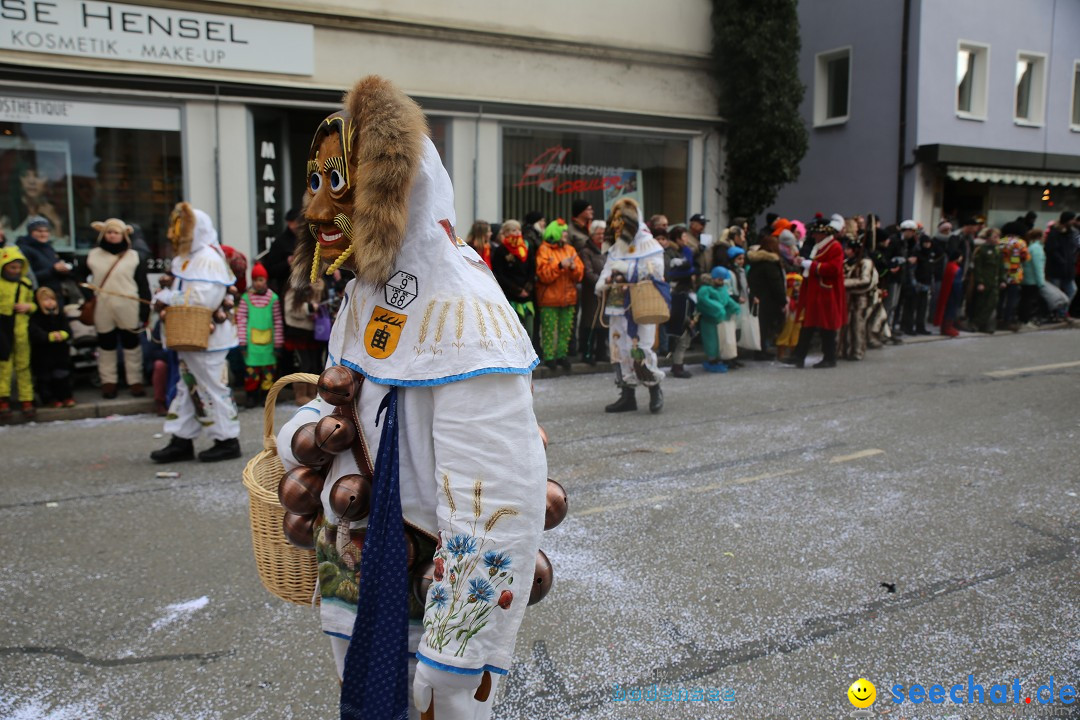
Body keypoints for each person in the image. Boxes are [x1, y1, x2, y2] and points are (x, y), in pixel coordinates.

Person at [272, 77, 545, 720]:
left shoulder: (467, 311)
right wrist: (304, 439)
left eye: (339, 188)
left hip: (431, 600)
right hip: (357, 577)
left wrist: (455, 654)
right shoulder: (363, 296)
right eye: (317, 185)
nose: (317, 212)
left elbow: (496, 498)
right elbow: (336, 401)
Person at [150, 202, 241, 463]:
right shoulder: (188, 258)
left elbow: (204, 299)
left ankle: (227, 439)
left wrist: (170, 297)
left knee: (211, 387)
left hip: (207, 338)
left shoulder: (208, 259)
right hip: (189, 336)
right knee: (187, 387)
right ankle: (181, 438)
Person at [595, 197, 666, 413]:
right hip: (617, 303)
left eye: (620, 220)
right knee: (619, 348)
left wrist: (628, 271)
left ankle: (655, 390)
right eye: (614, 220)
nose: (616, 225)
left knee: (640, 348)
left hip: (640, 304)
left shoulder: (650, 244)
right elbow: (608, 268)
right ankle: (627, 395)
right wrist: (603, 282)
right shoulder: (618, 246)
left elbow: (657, 273)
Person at [85, 218, 151, 398]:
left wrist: (145, 309)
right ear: (103, 234)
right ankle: (108, 381)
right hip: (103, 305)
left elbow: (142, 284)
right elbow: (80, 278)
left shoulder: (134, 256)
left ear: (124, 235)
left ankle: (135, 381)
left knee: (132, 344)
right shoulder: (92, 255)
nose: (112, 236)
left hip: (128, 305)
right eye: (109, 232)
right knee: (106, 345)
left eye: (116, 233)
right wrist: (88, 296)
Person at [781, 215, 846, 369]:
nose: (813, 235)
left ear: (823, 233)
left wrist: (811, 265)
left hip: (826, 292)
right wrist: (803, 263)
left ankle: (829, 357)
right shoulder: (821, 246)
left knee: (826, 325)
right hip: (814, 291)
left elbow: (834, 269)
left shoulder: (834, 247)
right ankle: (799, 356)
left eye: (816, 233)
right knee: (808, 323)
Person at [535, 219, 583, 371]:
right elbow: (543, 274)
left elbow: (580, 274)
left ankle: (562, 356)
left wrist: (574, 268)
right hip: (549, 298)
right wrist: (560, 265)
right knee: (548, 331)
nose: (566, 234)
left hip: (568, 298)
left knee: (566, 330)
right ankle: (549, 357)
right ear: (554, 232)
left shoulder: (570, 249)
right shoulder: (544, 249)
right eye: (563, 232)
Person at [236, 262, 284, 408]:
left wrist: (278, 344)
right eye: (255, 280)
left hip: (269, 346)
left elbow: (277, 321)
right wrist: (242, 342)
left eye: (261, 280)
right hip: (251, 346)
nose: (258, 283)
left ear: (266, 280)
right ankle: (251, 397)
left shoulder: (273, 298)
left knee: (268, 373)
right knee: (251, 373)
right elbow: (241, 320)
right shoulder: (246, 298)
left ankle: (266, 397)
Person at [0, 245, 36, 421]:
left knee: (23, 365)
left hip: (21, 328)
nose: (15, 271)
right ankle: (3, 399)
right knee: (3, 366)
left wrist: (29, 307)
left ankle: (26, 399)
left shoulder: (25, 284)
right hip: (3, 328)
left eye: (18, 268)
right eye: (11, 267)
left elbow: (34, 303)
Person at [29, 287, 75, 408]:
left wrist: (63, 334)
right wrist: (49, 337)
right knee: (45, 377)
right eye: (45, 300)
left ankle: (65, 396)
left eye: (52, 299)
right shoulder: (36, 316)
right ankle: (49, 398)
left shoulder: (60, 315)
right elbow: (35, 333)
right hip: (43, 353)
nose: (50, 302)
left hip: (60, 352)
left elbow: (68, 330)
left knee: (62, 375)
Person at [490, 219, 536, 341]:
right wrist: (517, 290)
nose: (517, 233)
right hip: (511, 295)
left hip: (527, 295)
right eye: (513, 230)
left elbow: (532, 268)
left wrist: (527, 287)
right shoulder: (501, 250)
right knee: (514, 330)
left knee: (529, 330)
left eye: (519, 230)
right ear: (505, 233)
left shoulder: (527, 247)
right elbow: (499, 274)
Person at [283, 278, 326, 405]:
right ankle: (301, 394)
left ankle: (312, 393)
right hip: (297, 331)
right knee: (303, 364)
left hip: (313, 332)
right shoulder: (295, 287)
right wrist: (309, 308)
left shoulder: (318, 287)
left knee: (314, 364)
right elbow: (290, 309)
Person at [746, 234, 787, 360]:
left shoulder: (756, 260)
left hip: (758, 296)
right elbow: (776, 283)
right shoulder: (770, 263)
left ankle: (760, 350)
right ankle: (761, 351)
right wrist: (783, 300)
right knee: (765, 326)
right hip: (768, 299)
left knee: (760, 325)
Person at [17, 216, 73, 303]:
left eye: (47, 231)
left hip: (55, 297)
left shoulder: (48, 247)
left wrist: (63, 271)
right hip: (38, 298)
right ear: (30, 232)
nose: (44, 234)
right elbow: (28, 278)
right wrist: (53, 270)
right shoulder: (24, 250)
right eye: (39, 231)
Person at [837, 239, 877, 361]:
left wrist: (845, 283)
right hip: (846, 298)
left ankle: (857, 351)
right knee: (845, 325)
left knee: (857, 324)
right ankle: (844, 350)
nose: (846, 251)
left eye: (848, 249)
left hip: (860, 299)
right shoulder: (846, 262)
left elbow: (866, 281)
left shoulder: (866, 263)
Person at [666, 225, 697, 379]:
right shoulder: (671, 253)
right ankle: (677, 365)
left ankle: (677, 364)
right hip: (678, 296)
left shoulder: (684, 251)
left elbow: (690, 266)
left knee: (683, 332)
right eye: (683, 237)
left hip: (683, 294)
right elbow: (671, 272)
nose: (686, 239)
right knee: (682, 332)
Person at [696, 266, 741, 373]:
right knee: (711, 342)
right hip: (709, 320)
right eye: (719, 279)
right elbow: (705, 301)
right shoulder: (705, 289)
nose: (721, 282)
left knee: (720, 341)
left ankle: (719, 359)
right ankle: (712, 361)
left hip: (719, 320)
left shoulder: (722, 288)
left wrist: (735, 307)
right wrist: (719, 309)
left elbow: (727, 300)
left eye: (722, 280)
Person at [578, 219, 608, 365]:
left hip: (606, 292)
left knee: (603, 322)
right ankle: (587, 353)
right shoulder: (586, 251)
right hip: (591, 293)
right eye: (599, 233)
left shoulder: (607, 249)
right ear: (592, 234)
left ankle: (601, 352)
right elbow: (587, 272)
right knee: (590, 321)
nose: (602, 236)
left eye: (603, 233)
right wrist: (601, 282)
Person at [969, 227, 1006, 334]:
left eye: (998, 237)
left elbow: (1001, 267)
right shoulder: (982, 250)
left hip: (994, 281)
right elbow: (978, 267)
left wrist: (1002, 279)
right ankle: (978, 324)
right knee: (981, 304)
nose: (996, 239)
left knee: (992, 303)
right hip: (985, 280)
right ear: (988, 238)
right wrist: (979, 282)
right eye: (994, 237)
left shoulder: (998, 250)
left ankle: (978, 323)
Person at [998, 223, 1030, 332]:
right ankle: (1008, 321)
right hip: (1014, 274)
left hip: (1001, 274)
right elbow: (1025, 257)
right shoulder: (1020, 243)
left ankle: (998, 319)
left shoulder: (1001, 241)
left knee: (1000, 298)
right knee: (1011, 300)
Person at [1044, 211, 1078, 313]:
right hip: (1057, 268)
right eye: (1071, 219)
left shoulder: (1071, 233)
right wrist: (1062, 261)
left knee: (1072, 290)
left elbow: (1073, 247)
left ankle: (1062, 312)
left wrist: (1072, 260)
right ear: (1066, 220)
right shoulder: (1054, 233)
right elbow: (1051, 250)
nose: (1073, 221)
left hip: (1068, 268)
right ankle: (1056, 313)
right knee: (1056, 293)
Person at [263, 208, 302, 295]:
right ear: (290, 223)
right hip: (287, 289)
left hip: (306, 288)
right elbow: (270, 270)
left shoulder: (306, 240)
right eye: (299, 222)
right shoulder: (280, 243)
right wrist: (287, 263)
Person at [933, 250, 963, 337]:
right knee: (951, 310)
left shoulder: (949, 266)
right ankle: (948, 327)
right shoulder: (956, 268)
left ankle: (944, 327)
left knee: (945, 309)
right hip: (953, 293)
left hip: (946, 291)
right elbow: (957, 283)